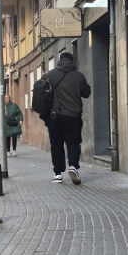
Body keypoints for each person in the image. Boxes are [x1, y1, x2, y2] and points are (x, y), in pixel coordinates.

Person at [42, 51, 91, 184]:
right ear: (72, 61)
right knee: (73, 142)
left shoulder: (49, 75)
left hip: (55, 116)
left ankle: (57, 174)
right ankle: (73, 166)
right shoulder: (78, 76)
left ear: (60, 60)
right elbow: (86, 93)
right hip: (73, 115)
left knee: (56, 144)